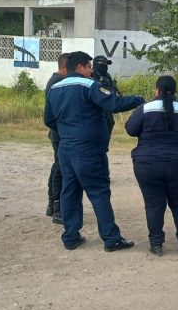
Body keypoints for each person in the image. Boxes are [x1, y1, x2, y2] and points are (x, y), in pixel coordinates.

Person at [44, 51, 145, 251]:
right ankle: (111, 238)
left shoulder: (54, 88)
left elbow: (48, 119)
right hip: (88, 149)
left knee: (70, 191)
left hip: (66, 148)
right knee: (99, 191)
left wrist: (68, 132)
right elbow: (114, 103)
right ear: (80, 67)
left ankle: (70, 236)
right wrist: (138, 99)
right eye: (89, 67)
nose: (91, 71)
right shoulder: (89, 85)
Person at [125, 76, 178, 256]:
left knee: (153, 205)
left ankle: (156, 244)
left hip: (147, 163)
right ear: (174, 91)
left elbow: (130, 129)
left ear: (157, 90)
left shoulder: (145, 109)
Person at [44, 52, 70, 224]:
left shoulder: (57, 81)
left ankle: (53, 204)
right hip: (60, 134)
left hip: (60, 133)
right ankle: (56, 206)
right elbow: (50, 116)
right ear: (65, 67)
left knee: (58, 167)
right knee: (60, 169)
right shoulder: (57, 83)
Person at [91, 55, 122, 136]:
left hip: (106, 105)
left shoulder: (107, 75)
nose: (105, 66)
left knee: (110, 122)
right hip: (95, 105)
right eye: (102, 64)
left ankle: (104, 145)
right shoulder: (91, 75)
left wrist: (116, 92)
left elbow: (111, 87)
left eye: (106, 64)